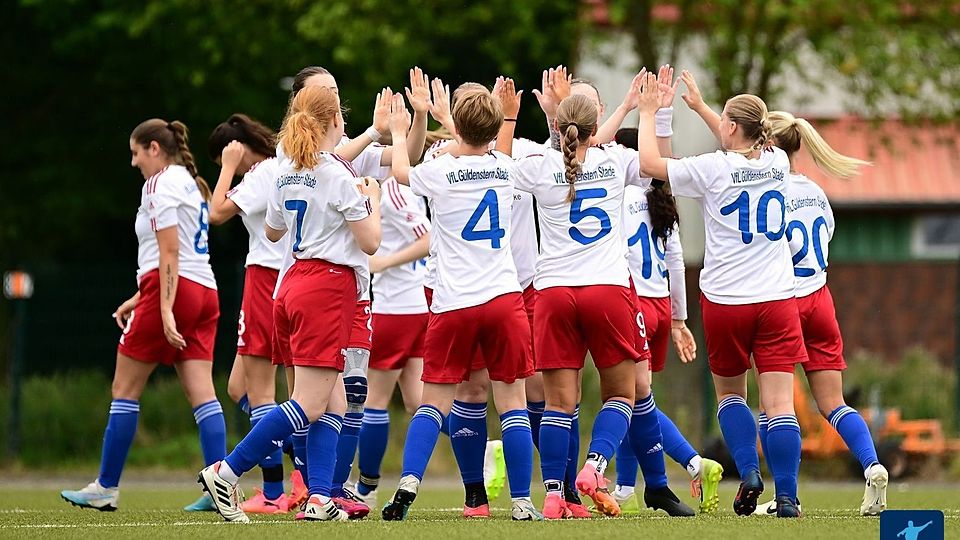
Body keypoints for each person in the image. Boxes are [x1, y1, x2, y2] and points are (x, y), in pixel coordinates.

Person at [198, 85, 382, 523]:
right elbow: (371, 242)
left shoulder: (285, 170)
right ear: (336, 121)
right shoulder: (336, 172)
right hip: (326, 287)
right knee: (309, 403)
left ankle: (319, 498)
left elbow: (275, 233)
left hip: (292, 283)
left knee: (332, 402)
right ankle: (226, 470)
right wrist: (370, 198)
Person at [636, 70, 807, 518]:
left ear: (731, 127)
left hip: (727, 302)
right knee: (780, 405)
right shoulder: (777, 162)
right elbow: (743, 142)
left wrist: (652, 112)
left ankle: (749, 472)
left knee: (732, 397)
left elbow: (652, 166)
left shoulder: (711, 168)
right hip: (776, 300)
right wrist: (702, 107)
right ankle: (786, 496)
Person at [501, 79, 666, 519]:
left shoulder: (538, 164)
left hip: (552, 292)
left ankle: (554, 496)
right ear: (597, 130)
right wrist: (643, 111)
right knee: (621, 395)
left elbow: (499, 161)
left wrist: (510, 116)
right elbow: (653, 161)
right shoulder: (616, 160)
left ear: (557, 126)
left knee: (558, 403)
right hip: (606, 291)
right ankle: (594, 466)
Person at [381, 84, 541, 522]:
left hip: (453, 302)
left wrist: (400, 131)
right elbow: (479, 142)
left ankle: (409, 482)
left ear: (457, 126)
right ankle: (523, 502)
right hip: (504, 299)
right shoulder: (507, 168)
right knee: (512, 403)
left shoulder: (439, 169)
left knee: (433, 402)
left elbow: (399, 172)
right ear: (494, 131)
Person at [61, 119, 224, 512]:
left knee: (125, 389)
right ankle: (221, 487)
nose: (134, 162)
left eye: (136, 152)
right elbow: (177, 251)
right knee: (203, 394)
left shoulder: (159, 183)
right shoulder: (190, 181)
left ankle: (106, 487)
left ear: (154, 148)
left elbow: (169, 252)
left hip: (174, 290)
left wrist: (163, 306)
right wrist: (141, 296)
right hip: (206, 292)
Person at [752, 110, 885, 517]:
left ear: (767, 145)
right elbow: (824, 236)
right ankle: (873, 465)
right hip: (820, 298)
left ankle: (785, 494)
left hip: (783, 301)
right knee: (834, 403)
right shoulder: (815, 192)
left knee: (774, 405)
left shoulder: (765, 193)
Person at [611, 129, 724, 516]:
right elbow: (675, 260)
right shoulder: (660, 196)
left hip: (633, 302)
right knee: (634, 397)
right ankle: (626, 486)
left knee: (631, 400)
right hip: (660, 304)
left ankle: (694, 463)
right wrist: (678, 319)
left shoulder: (618, 193)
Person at [204, 114, 306, 513]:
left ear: (238, 148)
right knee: (237, 388)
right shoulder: (284, 166)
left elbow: (216, 213)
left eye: (223, 159)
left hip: (265, 279)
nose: (224, 169)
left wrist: (228, 169)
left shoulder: (262, 173)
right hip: (279, 277)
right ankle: (295, 457)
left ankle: (275, 491)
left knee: (263, 393)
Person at [353, 168, 432, 509]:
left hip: (396, 309)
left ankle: (367, 489)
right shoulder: (388, 188)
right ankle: (485, 446)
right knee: (419, 403)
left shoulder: (393, 190)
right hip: (417, 310)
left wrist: (383, 263)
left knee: (374, 401)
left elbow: (429, 239)